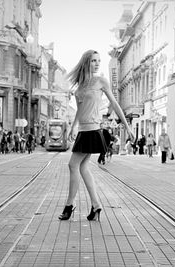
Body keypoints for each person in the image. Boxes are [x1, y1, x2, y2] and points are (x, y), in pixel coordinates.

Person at [59, 50, 134, 221]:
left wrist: (127, 126)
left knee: (72, 165)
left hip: (93, 130)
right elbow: (80, 109)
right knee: (83, 167)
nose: (97, 63)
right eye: (93, 60)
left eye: (98, 61)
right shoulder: (80, 86)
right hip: (83, 131)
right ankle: (96, 205)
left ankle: (69, 205)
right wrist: (73, 127)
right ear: (86, 62)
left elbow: (114, 103)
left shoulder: (101, 81)